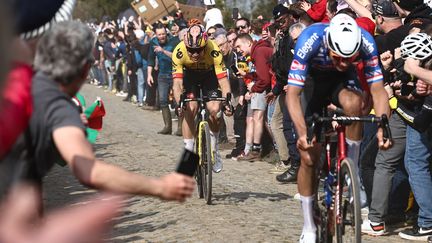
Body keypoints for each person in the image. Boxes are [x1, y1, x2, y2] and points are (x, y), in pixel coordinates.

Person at [17, 21, 195, 205]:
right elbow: (89, 170)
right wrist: (160, 187)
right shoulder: (58, 107)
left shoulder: (21, 82)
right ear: (85, 69)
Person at [286, 13, 391, 242]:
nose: (344, 63)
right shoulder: (310, 38)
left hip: (340, 83)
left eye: (349, 59)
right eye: (338, 58)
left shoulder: (365, 41)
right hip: (312, 82)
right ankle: (309, 225)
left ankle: (349, 168)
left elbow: (378, 91)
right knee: (309, 157)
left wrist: (384, 125)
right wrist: (303, 132)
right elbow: (292, 95)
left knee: (355, 104)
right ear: (329, 45)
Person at [172, 24, 232, 173]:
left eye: (199, 50)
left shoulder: (214, 51)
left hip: (209, 76)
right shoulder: (179, 51)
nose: (195, 54)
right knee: (189, 108)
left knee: (215, 110)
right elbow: (177, 83)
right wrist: (179, 103)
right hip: (190, 77)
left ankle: (214, 147)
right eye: (191, 50)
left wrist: (227, 101)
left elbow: (223, 81)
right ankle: (189, 151)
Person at [147, 23, 180, 135]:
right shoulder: (153, 42)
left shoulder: (174, 41)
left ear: (166, 33)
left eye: (163, 34)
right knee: (162, 100)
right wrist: (149, 75)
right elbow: (150, 59)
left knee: (178, 101)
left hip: (176, 74)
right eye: (159, 34)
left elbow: (177, 57)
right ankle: (167, 127)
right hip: (162, 75)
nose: (161, 36)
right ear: (155, 35)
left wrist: (163, 51)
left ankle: (180, 128)